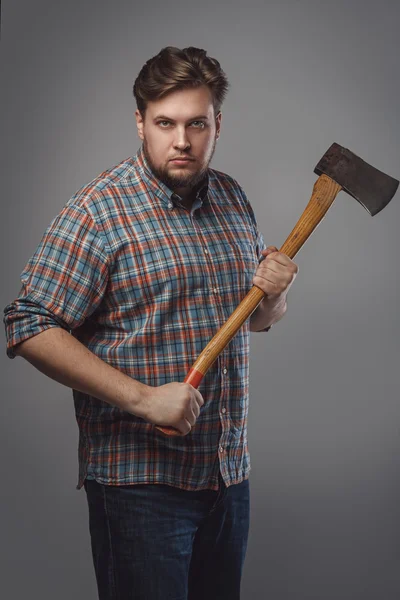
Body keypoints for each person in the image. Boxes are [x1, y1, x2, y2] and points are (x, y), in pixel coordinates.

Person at [3, 46, 298, 599]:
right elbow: (27, 322)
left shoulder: (233, 200)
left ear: (217, 124)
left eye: (196, 124)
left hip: (227, 477)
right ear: (140, 121)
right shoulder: (98, 211)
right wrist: (141, 399)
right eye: (165, 123)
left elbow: (255, 322)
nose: (181, 141)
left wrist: (275, 295)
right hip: (140, 488)